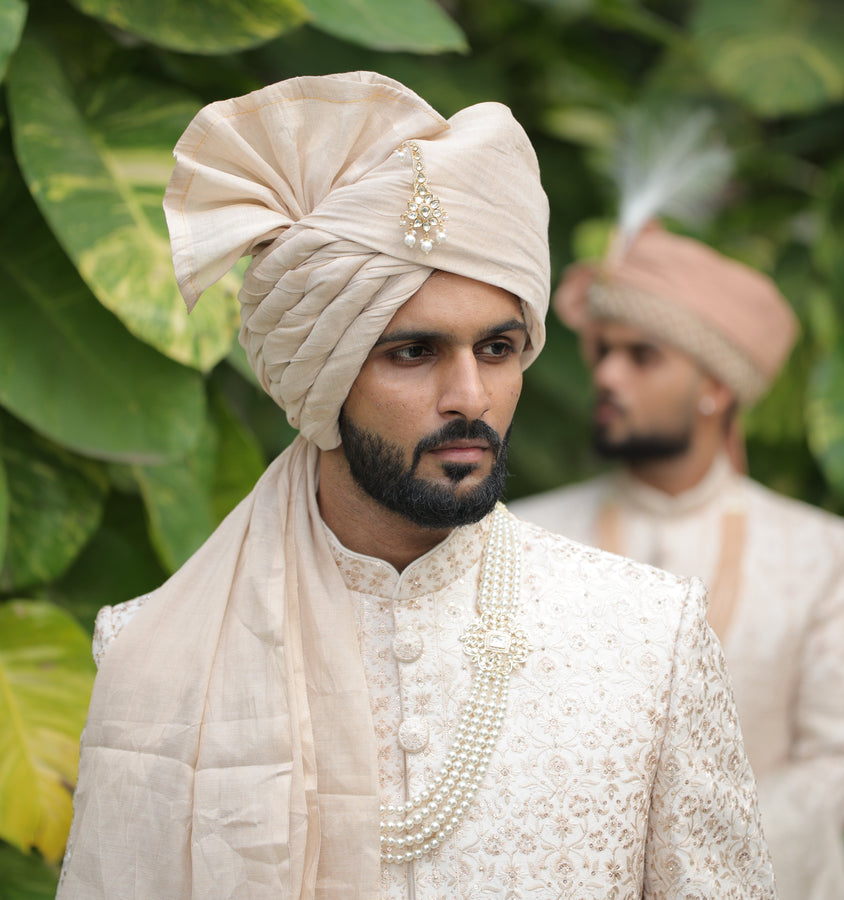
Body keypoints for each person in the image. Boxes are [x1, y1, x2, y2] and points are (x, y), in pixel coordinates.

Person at [58, 73, 776, 899]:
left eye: (499, 349)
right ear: (322, 378)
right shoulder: (152, 655)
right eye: (413, 352)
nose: (470, 395)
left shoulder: (650, 637)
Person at [512, 224, 844, 900]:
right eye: (603, 352)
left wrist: (708, 846)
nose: (606, 374)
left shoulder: (813, 551)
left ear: (715, 386)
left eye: (641, 356)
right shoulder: (528, 538)